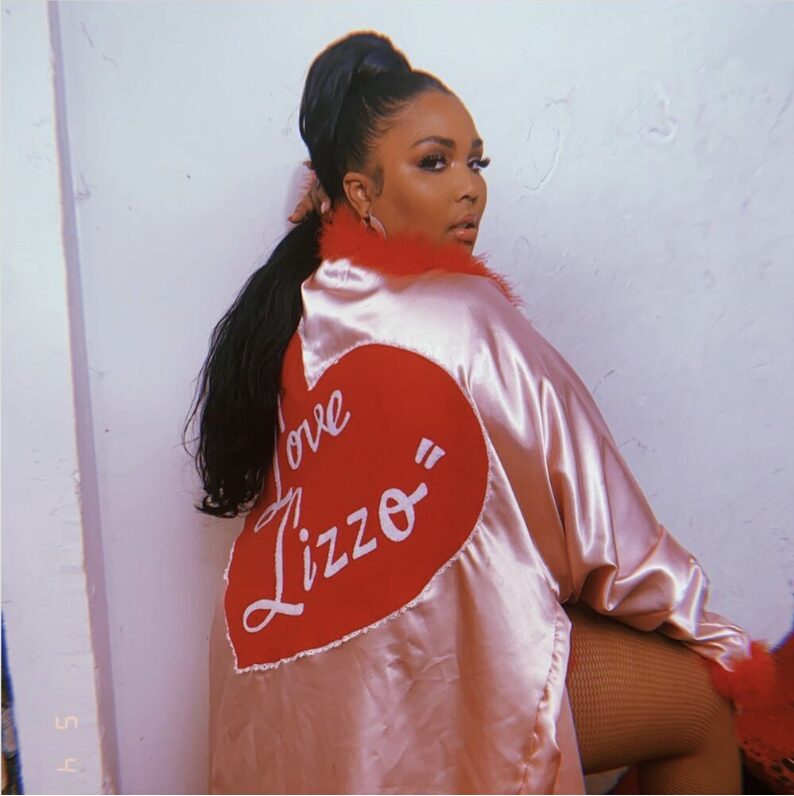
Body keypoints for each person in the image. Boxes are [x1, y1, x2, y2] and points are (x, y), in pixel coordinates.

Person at [186, 31, 768, 794]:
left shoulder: (297, 317)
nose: (470, 188)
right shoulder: (463, 318)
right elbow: (606, 537)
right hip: (421, 684)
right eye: (435, 162)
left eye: (476, 163)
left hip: (282, 701)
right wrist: (727, 651)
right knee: (700, 706)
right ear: (360, 190)